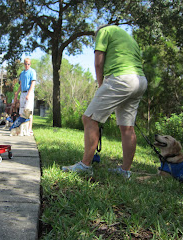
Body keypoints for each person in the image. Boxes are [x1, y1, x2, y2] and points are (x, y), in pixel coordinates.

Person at [62, 25, 148, 178]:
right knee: (127, 128)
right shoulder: (128, 37)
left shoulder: (103, 31)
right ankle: (125, 171)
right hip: (139, 80)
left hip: (120, 79)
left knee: (89, 118)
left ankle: (85, 166)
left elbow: (98, 62)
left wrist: (101, 84)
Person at [14, 58, 36, 135]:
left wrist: (29, 94)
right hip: (22, 93)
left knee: (28, 111)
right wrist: (17, 94)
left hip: (29, 93)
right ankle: (22, 129)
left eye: (28, 64)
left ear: (30, 64)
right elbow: (20, 85)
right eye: (26, 64)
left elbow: (33, 84)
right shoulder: (22, 73)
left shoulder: (32, 72)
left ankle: (29, 129)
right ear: (24, 64)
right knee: (22, 112)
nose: (27, 65)